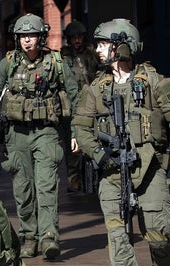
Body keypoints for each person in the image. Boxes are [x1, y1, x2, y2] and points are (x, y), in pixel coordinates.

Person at [72, 18, 170, 266]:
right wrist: (99, 155)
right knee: (118, 240)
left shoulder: (157, 82)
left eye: (102, 44)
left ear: (120, 45)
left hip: (152, 171)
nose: (97, 49)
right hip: (113, 175)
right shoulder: (96, 89)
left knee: (160, 237)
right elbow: (81, 128)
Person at [0, 13, 79, 260]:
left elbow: (76, 97)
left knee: (46, 185)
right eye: (23, 36)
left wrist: (76, 131)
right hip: (16, 134)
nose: (27, 41)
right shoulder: (9, 63)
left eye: (31, 35)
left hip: (46, 132)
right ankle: (28, 237)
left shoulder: (55, 63)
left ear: (41, 37)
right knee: (23, 189)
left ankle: (49, 237)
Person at [59, 20, 100, 192]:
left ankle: (96, 175)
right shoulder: (63, 57)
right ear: (68, 39)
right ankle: (74, 178)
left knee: (95, 138)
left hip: (93, 103)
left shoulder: (92, 53)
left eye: (79, 37)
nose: (77, 40)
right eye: (73, 38)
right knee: (71, 143)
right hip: (71, 106)